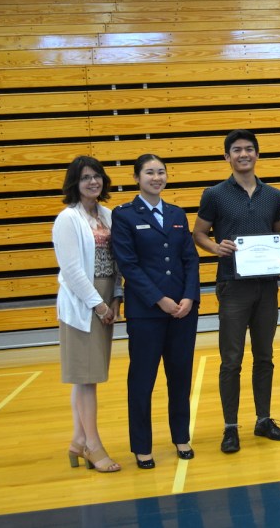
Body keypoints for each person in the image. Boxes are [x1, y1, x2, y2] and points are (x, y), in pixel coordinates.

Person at [193, 129, 280, 454]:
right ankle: (230, 427)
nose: (244, 154)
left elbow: (278, 234)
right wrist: (215, 248)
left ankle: (263, 420)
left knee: (265, 356)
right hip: (232, 286)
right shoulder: (214, 194)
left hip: (266, 286)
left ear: (257, 154)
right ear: (227, 156)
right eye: (237, 150)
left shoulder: (274, 195)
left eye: (249, 149)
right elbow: (199, 233)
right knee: (231, 360)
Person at [111, 154, 200, 470]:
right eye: (149, 172)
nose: (156, 177)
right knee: (142, 380)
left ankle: (181, 437)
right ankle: (142, 446)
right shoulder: (124, 215)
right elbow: (128, 265)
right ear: (137, 177)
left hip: (182, 312)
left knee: (180, 377)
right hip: (146, 313)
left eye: (161, 172)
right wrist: (159, 299)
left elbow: (190, 259)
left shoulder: (176, 213)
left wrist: (189, 297)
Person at [53, 156, 123, 473]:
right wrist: (98, 304)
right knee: (86, 378)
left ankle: (78, 440)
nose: (92, 182)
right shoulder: (67, 219)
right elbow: (71, 271)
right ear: (74, 183)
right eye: (85, 177)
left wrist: (116, 296)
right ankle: (93, 446)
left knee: (88, 375)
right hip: (83, 303)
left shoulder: (108, 215)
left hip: (106, 296)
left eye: (96, 176)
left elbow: (118, 260)